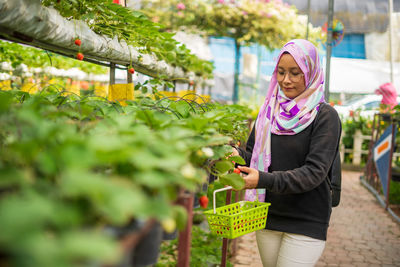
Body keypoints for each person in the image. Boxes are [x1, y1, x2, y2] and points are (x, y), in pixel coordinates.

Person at [231, 39, 342, 267]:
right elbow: (252, 156)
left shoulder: (325, 117)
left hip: (307, 219)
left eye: (295, 73)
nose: (285, 80)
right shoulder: (269, 112)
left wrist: (263, 180)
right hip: (268, 215)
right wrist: (233, 154)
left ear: (310, 73)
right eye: (281, 72)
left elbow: (314, 172)